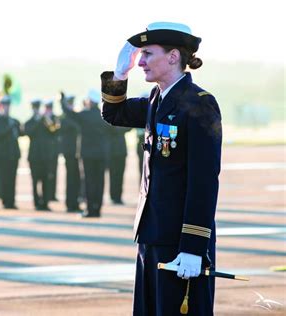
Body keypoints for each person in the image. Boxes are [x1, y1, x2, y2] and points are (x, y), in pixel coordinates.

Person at [101, 22, 221, 315]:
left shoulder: (199, 104)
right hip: (151, 234)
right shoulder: (157, 99)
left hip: (180, 240)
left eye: (147, 54)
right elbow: (114, 113)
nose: (140, 61)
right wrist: (119, 74)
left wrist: (193, 246)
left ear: (173, 56)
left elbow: (203, 180)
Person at [61, 90, 111, 218]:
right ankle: (97, 209)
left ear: (89, 101)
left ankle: (90, 209)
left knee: (89, 182)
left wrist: (62, 100)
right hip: (101, 154)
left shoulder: (85, 115)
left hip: (87, 155)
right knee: (100, 182)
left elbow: (69, 113)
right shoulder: (103, 115)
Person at [24, 99, 59, 211]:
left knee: (45, 180)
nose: (37, 110)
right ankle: (36, 202)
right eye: (35, 108)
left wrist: (46, 119)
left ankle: (45, 202)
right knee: (35, 181)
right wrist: (38, 121)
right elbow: (29, 133)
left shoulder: (46, 121)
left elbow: (54, 131)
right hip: (34, 157)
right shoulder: (29, 122)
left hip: (45, 156)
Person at [0, 95, 21, 209]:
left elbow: (20, 133)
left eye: (8, 105)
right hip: (2, 155)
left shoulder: (13, 121)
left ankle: (11, 200)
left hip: (13, 154)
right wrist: (9, 127)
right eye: (4, 105)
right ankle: (4, 200)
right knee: (3, 179)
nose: (6, 108)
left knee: (12, 179)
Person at [59, 94, 82, 212]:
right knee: (71, 178)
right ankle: (70, 203)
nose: (71, 105)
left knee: (76, 178)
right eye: (69, 103)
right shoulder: (65, 118)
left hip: (77, 151)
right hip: (69, 152)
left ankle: (75, 202)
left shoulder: (73, 116)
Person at [107, 125, 131, 205]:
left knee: (119, 174)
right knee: (113, 174)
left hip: (121, 151)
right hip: (111, 151)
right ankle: (114, 196)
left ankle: (118, 196)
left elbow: (129, 127)